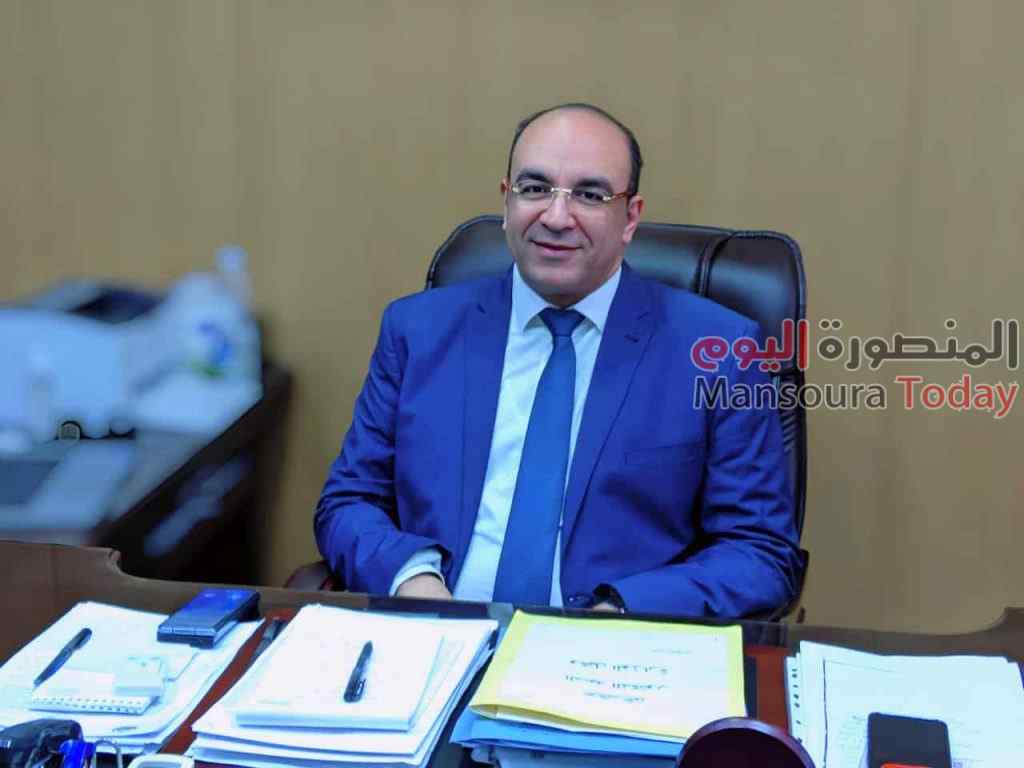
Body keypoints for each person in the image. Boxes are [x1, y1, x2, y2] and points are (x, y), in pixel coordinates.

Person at [315, 103, 804, 616]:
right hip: (436, 633)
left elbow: (759, 551)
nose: (555, 217)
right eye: (535, 188)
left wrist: (621, 614)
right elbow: (349, 502)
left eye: (590, 195)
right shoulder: (417, 330)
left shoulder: (718, 351)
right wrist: (413, 580)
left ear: (630, 217)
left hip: (611, 646)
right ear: (507, 201)